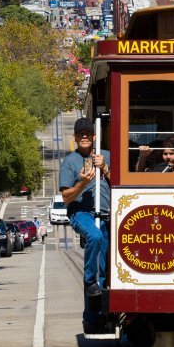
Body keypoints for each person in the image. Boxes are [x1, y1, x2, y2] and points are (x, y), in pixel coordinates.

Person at [59, 117, 111, 333]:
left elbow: (123, 184)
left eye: (87, 133)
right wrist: (83, 182)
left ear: (94, 136)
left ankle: (94, 318)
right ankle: (89, 282)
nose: (84, 137)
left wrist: (106, 169)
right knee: (95, 237)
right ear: (75, 138)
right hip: (82, 213)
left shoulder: (106, 155)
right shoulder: (70, 162)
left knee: (105, 268)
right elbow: (66, 197)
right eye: (80, 134)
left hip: (107, 214)